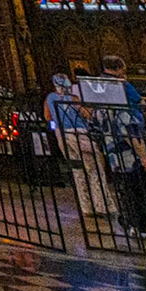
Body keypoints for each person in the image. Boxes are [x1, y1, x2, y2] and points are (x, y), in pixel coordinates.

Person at [81, 54, 146, 239]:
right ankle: (139, 227)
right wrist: (143, 154)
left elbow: (92, 118)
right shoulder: (121, 86)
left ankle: (130, 222)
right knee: (137, 186)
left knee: (124, 186)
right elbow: (130, 117)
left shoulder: (95, 87)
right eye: (124, 70)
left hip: (111, 145)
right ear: (120, 69)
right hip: (129, 144)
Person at [45, 74, 107, 216]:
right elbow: (86, 115)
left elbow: (48, 117)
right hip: (79, 133)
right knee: (94, 169)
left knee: (77, 170)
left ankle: (86, 207)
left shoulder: (50, 98)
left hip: (62, 134)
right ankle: (100, 205)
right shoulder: (73, 98)